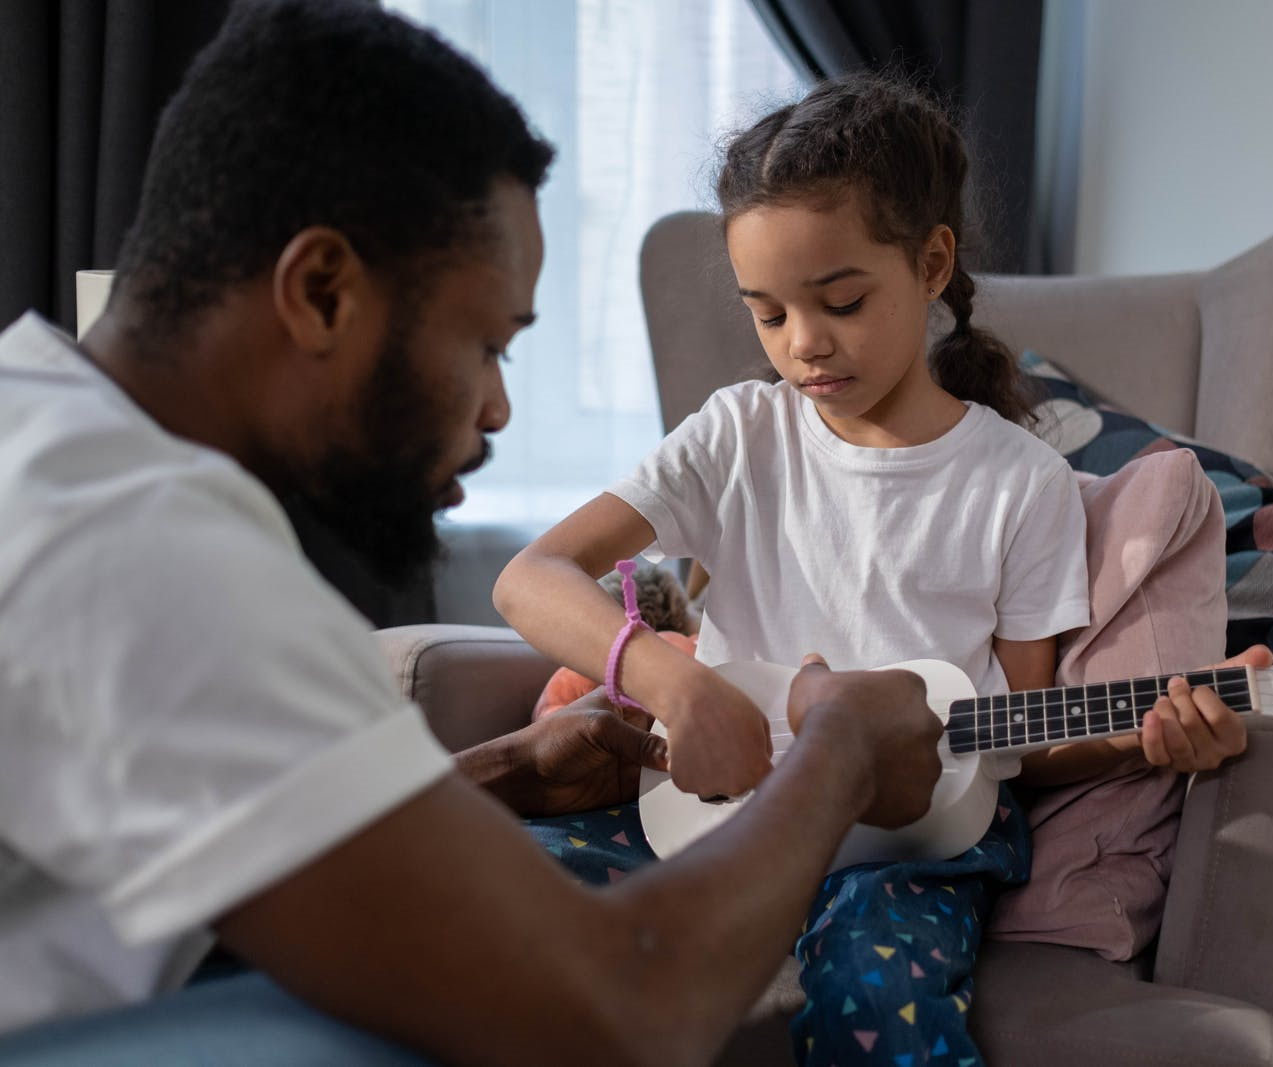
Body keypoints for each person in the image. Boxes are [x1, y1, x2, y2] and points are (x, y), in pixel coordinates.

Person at [0, 4, 951, 1065]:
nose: (496, 408)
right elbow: (624, 1005)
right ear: (322, 292)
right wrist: (840, 749)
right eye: (487, 343)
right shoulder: (149, 550)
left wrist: (496, 770)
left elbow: (202, 841)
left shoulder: (41, 431)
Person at [493, 73, 1249, 1066]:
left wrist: (1145, 737)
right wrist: (673, 679)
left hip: (914, 843)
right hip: (713, 812)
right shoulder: (737, 433)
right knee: (506, 904)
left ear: (931, 262)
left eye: (840, 300)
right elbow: (529, 578)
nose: (802, 343)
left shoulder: (1020, 483)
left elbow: (1018, 738)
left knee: (878, 993)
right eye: (767, 313)